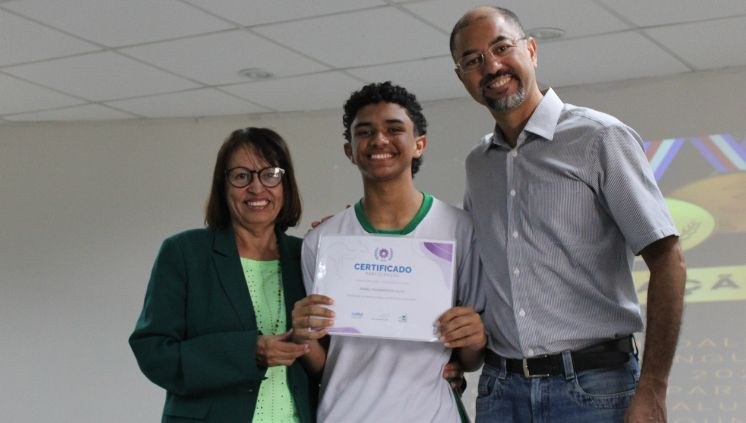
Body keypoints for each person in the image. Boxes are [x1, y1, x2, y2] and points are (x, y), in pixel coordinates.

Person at [449, 6, 687, 422]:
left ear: (531, 50)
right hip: (501, 391)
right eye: (474, 60)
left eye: (502, 47)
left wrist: (653, 386)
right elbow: (481, 277)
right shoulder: (478, 164)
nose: (492, 66)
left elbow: (668, 260)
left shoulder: (600, 138)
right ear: (462, 77)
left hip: (596, 390)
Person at [291, 81, 486, 422]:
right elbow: (325, 362)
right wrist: (302, 336)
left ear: (419, 144)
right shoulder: (322, 241)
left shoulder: (460, 230)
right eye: (365, 132)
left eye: (394, 129)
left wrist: (475, 337)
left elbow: (469, 359)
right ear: (350, 150)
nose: (379, 140)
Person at [129, 127, 315, 422]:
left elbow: (337, 358)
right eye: (241, 176)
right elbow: (153, 352)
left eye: (270, 175)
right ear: (223, 186)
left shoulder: (307, 255)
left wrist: (344, 238)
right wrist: (247, 352)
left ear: (286, 185)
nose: (257, 188)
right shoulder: (185, 253)